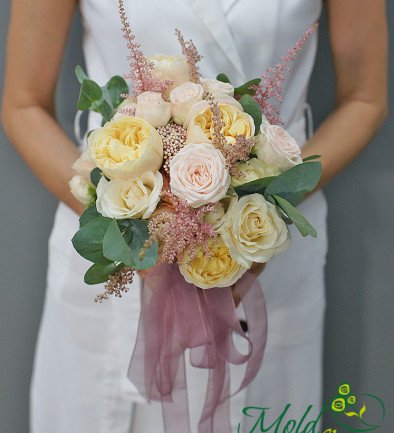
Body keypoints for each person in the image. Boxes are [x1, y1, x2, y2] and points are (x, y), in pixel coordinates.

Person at [1, 0, 388, 432]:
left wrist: (259, 209)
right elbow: (23, 104)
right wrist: (132, 227)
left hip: (272, 244)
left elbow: (365, 97)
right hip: (114, 248)